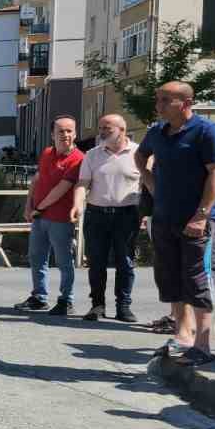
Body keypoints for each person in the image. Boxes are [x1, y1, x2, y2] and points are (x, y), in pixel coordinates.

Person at [137, 82, 215, 366]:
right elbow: (140, 156)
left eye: (166, 100)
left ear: (186, 103)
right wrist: (151, 182)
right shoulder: (157, 133)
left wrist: (201, 215)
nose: (159, 105)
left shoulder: (205, 131)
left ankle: (203, 344)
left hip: (198, 221)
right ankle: (183, 335)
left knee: (198, 279)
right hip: (165, 219)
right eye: (158, 99)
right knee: (171, 278)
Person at [71, 114, 140, 322]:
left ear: (122, 130)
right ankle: (97, 305)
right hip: (97, 214)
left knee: (125, 262)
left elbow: (148, 185)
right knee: (97, 262)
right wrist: (77, 204)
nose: (101, 132)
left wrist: (148, 212)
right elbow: (83, 183)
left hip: (127, 215)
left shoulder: (139, 153)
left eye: (107, 129)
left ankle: (123, 306)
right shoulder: (92, 155)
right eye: (100, 128)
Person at [14, 116, 83, 316]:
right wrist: (29, 205)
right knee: (36, 258)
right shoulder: (46, 153)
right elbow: (37, 180)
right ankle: (39, 297)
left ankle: (66, 300)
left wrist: (39, 208)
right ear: (52, 134)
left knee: (63, 261)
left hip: (60, 219)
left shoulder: (79, 158)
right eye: (61, 131)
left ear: (75, 133)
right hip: (39, 217)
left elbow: (62, 189)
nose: (65, 135)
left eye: (69, 131)